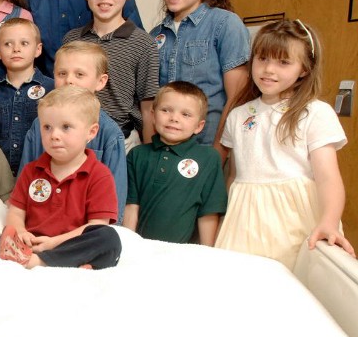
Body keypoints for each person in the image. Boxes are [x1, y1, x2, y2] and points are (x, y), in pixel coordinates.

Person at [214, 20, 355, 269]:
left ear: (303, 69)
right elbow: (234, 176)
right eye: (262, 58)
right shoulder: (238, 115)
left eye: (283, 62)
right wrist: (225, 217)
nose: (269, 69)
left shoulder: (315, 112)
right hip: (244, 218)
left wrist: (330, 221)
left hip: (293, 218)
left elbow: (328, 178)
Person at [0, 86, 121, 269]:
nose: (54, 135)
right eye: (47, 127)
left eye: (66, 127)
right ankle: (63, 263)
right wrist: (21, 232)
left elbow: (97, 225)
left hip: (72, 244)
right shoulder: (31, 171)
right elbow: (15, 212)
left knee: (108, 238)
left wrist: (53, 243)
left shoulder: (99, 175)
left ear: (91, 132)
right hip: (33, 243)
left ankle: (41, 263)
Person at [150, 0, 250, 154]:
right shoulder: (155, 35)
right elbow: (151, 100)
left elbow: (237, 98)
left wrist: (218, 153)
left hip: (207, 147)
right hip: (164, 151)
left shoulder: (225, 24)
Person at [19, 41, 126, 221]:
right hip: (40, 222)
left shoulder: (110, 134)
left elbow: (115, 200)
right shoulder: (40, 125)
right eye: (62, 73)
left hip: (85, 229)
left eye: (79, 74)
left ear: (100, 82)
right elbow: (24, 182)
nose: (69, 80)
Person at [63, 0, 158, 152]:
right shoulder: (72, 40)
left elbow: (148, 107)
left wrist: (150, 156)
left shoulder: (143, 43)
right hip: (74, 138)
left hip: (122, 141)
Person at [123, 81, 226, 245]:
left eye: (185, 114)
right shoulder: (137, 155)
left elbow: (208, 212)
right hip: (142, 250)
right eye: (166, 110)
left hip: (183, 255)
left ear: (199, 126)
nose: (174, 118)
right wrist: (128, 246)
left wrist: (208, 253)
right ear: (153, 115)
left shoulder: (208, 158)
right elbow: (131, 207)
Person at [0, 18, 54, 173]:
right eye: (8, 44)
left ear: (38, 49)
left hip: (42, 175)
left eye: (24, 43)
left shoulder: (53, 90)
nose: (16, 49)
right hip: (1, 176)